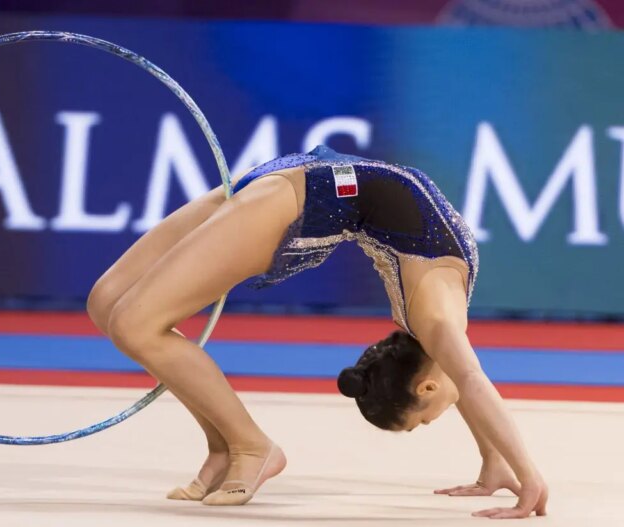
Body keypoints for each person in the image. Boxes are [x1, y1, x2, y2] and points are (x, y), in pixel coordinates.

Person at [86, 145, 548, 517]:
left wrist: (493, 459)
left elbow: (459, 379)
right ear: (426, 385)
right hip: (303, 198)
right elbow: (468, 380)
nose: (437, 415)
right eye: (425, 417)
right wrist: (529, 475)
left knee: (110, 305)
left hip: (298, 172)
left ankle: (223, 446)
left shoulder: (435, 322)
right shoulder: (438, 321)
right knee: (129, 321)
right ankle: (252, 446)